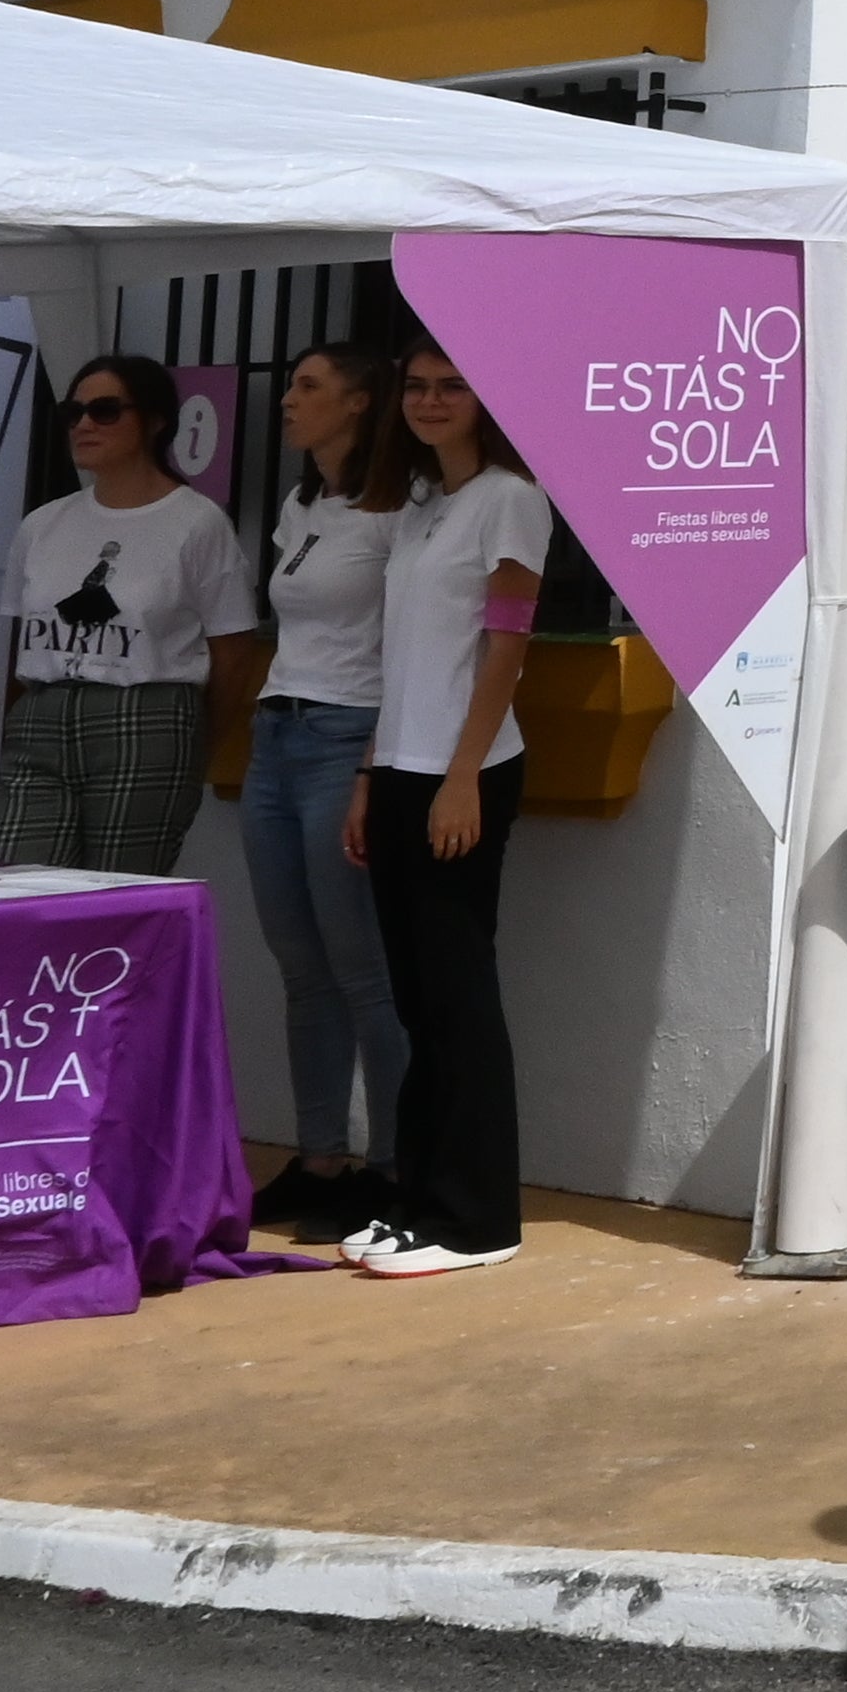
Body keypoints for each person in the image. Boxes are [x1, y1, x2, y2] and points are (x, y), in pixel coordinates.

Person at [329, 341, 549, 1284]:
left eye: (451, 385)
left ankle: (477, 1215)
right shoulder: (419, 505)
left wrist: (461, 776)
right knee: (416, 1001)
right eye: (415, 386)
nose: (429, 400)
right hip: (404, 769)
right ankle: (416, 1200)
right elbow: (401, 657)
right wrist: (374, 773)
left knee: (459, 997)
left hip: (469, 771)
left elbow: (505, 648)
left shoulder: (510, 497)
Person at [240, 341, 410, 1238]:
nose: (289, 400)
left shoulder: (398, 510)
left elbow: (409, 652)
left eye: (308, 387)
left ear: (356, 403)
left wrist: (369, 771)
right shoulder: (301, 505)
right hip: (278, 731)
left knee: (362, 969)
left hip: (346, 736)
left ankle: (390, 1165)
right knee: (300, 966)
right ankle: (319, 1157)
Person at [0, 352, 268, 876]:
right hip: (44, 711)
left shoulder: (196, 521)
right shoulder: (42, 523)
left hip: (147, 712)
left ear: (155, 420)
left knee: (116, 890)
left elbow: (234, 649)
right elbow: (17, 640)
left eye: (106, 410)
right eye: (73, 413)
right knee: (19, 882)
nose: (85, 425)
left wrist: (192, 741)